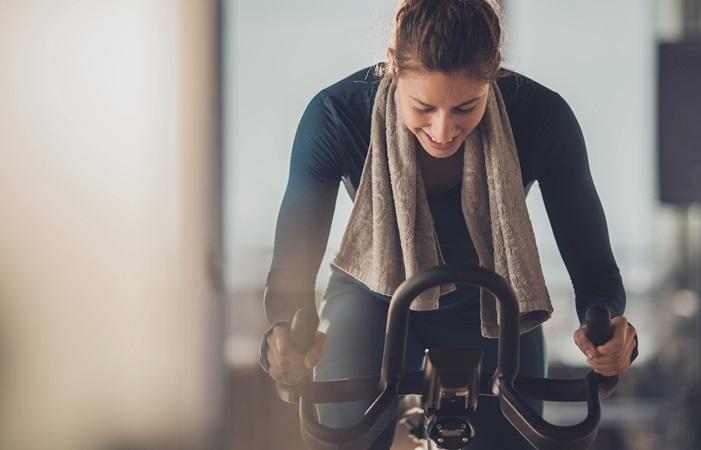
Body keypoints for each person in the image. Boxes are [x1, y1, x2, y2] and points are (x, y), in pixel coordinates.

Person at [261, 0, 638, 448]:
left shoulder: (543, 118)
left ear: (493, 75)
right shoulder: (335, 116)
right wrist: (284, 331)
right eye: (423, 107)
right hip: (374, 294)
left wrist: (611, 328)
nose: (443, 131)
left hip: (494, 301)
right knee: (342, 436)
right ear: (393, 67)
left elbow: (593, 268)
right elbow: (292, 270)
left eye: (465, 107)